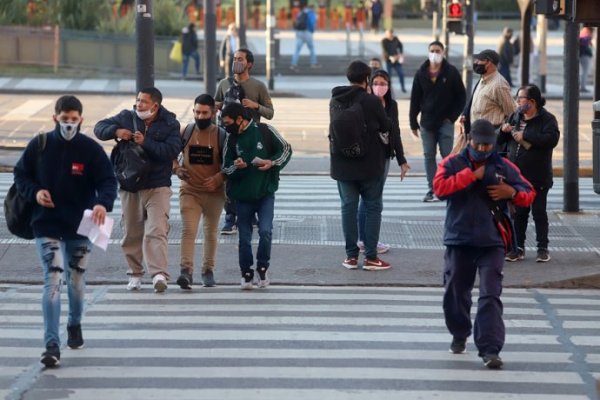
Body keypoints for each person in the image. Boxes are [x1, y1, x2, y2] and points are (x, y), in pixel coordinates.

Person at [13, 95, 118, 368]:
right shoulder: (40, 145)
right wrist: (35, 193)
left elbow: (108, 180)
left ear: (81, 120)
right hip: (46, 224)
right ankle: (51, 343)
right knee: (53, 280)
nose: (69, 124)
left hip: (80, 226)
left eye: (74, 120)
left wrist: (102, 204)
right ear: (55, 118)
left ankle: (74, 323)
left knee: (77, 283)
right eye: (64, 119)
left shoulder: (90, 149)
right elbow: (20, 174)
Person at [433, 119, 535, 370]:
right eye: (478, 143)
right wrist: (470, 175)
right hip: (459, 240)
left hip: (493, 242)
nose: (482, 148)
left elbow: (528, 193)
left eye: (488, 145)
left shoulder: (504, 166)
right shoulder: (452, 163)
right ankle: (460, 332)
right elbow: (439, 189)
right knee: (455, 293)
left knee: (490, 295)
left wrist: (510, 193)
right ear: (469, 140)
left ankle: (490, 350)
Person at [94, 87, 182, 293]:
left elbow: (172, 150)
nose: (139, 104)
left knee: (156, 230)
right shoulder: (126, 117)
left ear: (155, 105)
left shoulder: (170, 123)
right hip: (130, 184)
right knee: (131, 231)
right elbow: (99, 127)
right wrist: (115, 131)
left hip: (158, 185)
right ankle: (134, 273)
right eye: (138, 100)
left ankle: (159, 274)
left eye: (143, 101)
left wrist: (147, 142)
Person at [220, 102, 292, 290]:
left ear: (240, 119)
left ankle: (262, 267)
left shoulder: (265, 130)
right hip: (242, 196)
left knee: (265, 231)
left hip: (265, 193)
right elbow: (225, 167)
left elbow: (285, 149)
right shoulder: (231, 139)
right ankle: (246, 272)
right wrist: (237, 166)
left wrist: (272, 162)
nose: (226, 127)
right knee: (244, 237)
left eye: (228, 123)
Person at [330, 60, 392, 271]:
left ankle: (351, 257)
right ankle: (372, 258)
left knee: (348, 208)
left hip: (342, 164)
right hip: (369, 164)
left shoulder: (335, 100)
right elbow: (386, 125)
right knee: (373, 207)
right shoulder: (371, 101)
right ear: (367, 79)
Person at [215, 48, 275, 235]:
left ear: (249, 64)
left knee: (250, 175)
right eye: (235, 59)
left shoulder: (258, 86)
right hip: (228, 136)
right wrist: (218, 106)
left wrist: (254, 105)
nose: (236, 62)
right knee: (229, 175)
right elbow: (216, 103)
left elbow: (270, 113)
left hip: (252, 138)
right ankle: (230, 218)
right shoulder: (224, 84)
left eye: (240, 59)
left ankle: (250, 213)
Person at [498, 85, 559, 263]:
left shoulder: (547, 119)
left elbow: (552, 139)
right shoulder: (515, 116)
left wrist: (526, 135)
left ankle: (542, 248)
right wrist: (503, 131)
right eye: (517, 98)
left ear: (532, 101)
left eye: (521, 98)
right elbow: (500, 142)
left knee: (539, 212)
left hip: (538, 175)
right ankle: (518, 248)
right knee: (519, 213)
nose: (517, 101)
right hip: (517, 177)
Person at [173, 94, 226, 289]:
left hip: (214, 192)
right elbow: (171, 155)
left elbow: (229, 165)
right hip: (190, 191)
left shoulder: (221, 135)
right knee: (189, 230)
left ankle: (208, 270)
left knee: (210, 231)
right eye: (197, 112)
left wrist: (220, 178)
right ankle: (185, 271)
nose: (200, 116)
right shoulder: (185, 132)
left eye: (204, 113)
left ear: (213, 113)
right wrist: (177, 169)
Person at [357, 69, 410, 255]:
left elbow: (395, 132)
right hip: (369, 157)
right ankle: (366, 241)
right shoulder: (365, 102)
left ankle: (365, 240)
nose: (380, 87)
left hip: (385, 155)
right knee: (371, 199)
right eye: (376, 83)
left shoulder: (391, 105)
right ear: (370, 85)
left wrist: (402, 160)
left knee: (371, 198)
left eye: (384, 83)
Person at [409, 40, 466, 202]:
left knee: (447, 155)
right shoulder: (421, 73)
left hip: (445, 123)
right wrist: (413, 122)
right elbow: (415, 99)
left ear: (443, 52)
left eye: (437, 50)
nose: (435, 53)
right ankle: (432, 188)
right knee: (428, 156)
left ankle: (449, 186)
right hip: (427, 122)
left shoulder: (451, 72)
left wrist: (452, 117)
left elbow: (461, 97)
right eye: (432, 50)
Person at [462, 49, 515, 137]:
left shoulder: (499, 84)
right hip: (476, 133)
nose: (476, 62)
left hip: (490, 137)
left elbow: (511, 111)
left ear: (488, 62)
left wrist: (501, 131)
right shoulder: (483, 78)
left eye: (479, 60)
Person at [290, 2, 320, 72]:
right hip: (307, 33)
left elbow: (296, 21)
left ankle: (293, 64)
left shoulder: (301, 12)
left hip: (299, 32)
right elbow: (312, 23)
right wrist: (312, 31)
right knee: (311, 49)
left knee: (297, 50)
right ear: (312, 8)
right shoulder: (311, 13)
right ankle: (313, 63)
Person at [381, 29, 407, 93]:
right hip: (388, 60)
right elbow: (385, 51)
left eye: (391, 34)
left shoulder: (396, 39)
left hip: (396, 60)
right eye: (388, 34)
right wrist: (391, 57)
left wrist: (400, 54)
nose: (390, 35)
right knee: (388, 75)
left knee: (401, 73)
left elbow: (400, 45)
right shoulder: (384, 41)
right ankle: (388, 89)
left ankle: (403, 87)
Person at [579, 27, 594, 93]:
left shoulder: (581, 34)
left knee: (583, 72)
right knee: (585, 72)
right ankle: (583, 87)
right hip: (585, 56)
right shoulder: (586, 36)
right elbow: (585, 45)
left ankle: (582, 86)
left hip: (582, 55)